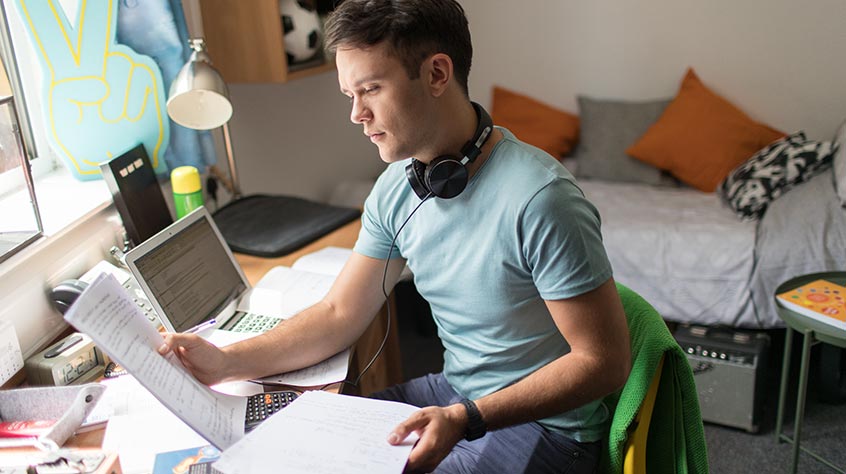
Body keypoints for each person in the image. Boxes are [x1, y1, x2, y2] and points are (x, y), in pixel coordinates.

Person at [159, 0, 631, 472]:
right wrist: (225, 362)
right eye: (350, 94)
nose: (356, 114)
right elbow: (339, 313)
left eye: (370, 89)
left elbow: (603, 362)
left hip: (547, 430)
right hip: (457, 394)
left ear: (437, 74)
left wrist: (466, 417)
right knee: (307, 448)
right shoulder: (397, 190)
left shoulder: (542, 199)